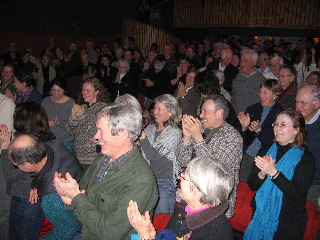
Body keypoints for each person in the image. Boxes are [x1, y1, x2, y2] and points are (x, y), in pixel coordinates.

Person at [54, 104, 159, 240]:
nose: (96, 136)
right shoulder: (102, 158)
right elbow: (83, 195)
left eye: (101, 131)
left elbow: (110, 233)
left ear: (123, 133)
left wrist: (76, 197)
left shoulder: (140, 180)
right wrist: (70, 196)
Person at [245, 109, 315, 240]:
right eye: (275, 124)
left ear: (296, 130)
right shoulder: (265, 150)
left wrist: (273, 172)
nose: (277, 128)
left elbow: (296, 192)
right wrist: (262, 173)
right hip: (261, 213)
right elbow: (252, 185)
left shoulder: (306, 158)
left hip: (288, 222)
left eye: (283, 125)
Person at [127, 157, 234, 240]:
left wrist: (144, 236)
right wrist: (152, 236)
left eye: (183, 177)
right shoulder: (185, 207)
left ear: (199, 192)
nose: (179, 180)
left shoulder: (214, 234)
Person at [4, 133, 83, 239]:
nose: (16, 168)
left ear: (28, 164)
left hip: (80, 230)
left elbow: (67, 230)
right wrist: (36, 184)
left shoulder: (50, 197)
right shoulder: (56, 145)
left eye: (16, 165)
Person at [176, 94, 243, 218]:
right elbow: (182, 161)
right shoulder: (201, 131)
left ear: (219, 113)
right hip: (193, 198)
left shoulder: (232, 137)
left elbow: (214, 171)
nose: (201, 116)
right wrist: (186, 137)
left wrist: (197, 137)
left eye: (205, 111)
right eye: (201, 111)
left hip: (215, 204)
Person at [139, 94, 182, 215]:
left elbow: (153, 155)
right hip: (148, 180)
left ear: (170, 113)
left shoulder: (174, 133)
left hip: (164, 182)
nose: (155, 112)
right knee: (148, 217)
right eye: (155, 108)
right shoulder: (150, 129)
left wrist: (142, 140)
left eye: (159, 109)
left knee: (161, 219)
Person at [238, 79, 283, 182]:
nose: (261, 95)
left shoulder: (280, 114)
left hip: (266, 158)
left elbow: (274, 141)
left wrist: (259, 130)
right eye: (260, 91)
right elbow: (241, 137)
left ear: (275, 95)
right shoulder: (252, 109)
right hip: (248, 154)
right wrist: (244, 127)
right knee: (244, 184)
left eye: (265, 92)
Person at [67, 77, 109, 171]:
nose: (84, 93)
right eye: (83, 90)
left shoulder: (103, 108)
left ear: (97, 92)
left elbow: (91, 131)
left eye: (88, 90)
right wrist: (74, 117)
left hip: (93, 157)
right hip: (78, 155)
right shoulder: (82, 107)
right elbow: (70, 131)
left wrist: (81, 116)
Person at [295, 85, 320, 202]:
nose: (298, 107)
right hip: (293, 176)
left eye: (303, 103)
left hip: (314, 182)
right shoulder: (294, 119)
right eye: (297, 102)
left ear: (317, 104)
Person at [41, 77, 75, 151]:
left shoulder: (70, 103)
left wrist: (58, 122)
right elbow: (39, 119)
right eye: (53, 90)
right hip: (48, 139)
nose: (56, 94)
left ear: (64, 90)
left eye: (59, 91)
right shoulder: (46, 101)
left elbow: (73, 126)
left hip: (65, 141)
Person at [231, 49, 266, 115]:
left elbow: (258, 103)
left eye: (245, 61)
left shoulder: (260, 80)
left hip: (249, 117)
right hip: (236, 116)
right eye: (241, 60)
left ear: (254, 62)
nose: (242, 63)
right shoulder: (239, 76)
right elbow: (234, 94)